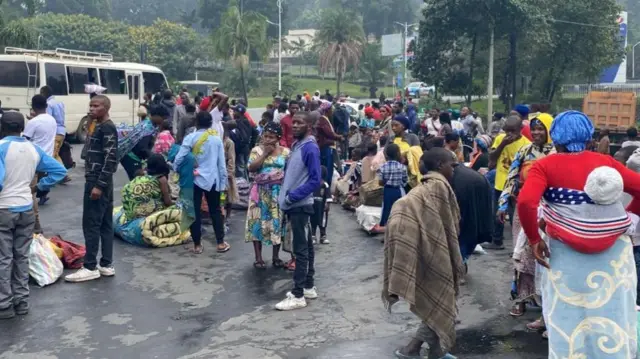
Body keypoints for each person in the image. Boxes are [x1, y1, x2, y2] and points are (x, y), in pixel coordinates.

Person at [517, 111, 640, 359]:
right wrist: (628, 218)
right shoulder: (606, 164)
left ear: (557, 139)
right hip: (613, 257)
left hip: (565, 254)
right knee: (613, 310)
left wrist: (534, 239)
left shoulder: (545, 166)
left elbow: (526, 202)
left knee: (568, 312)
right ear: (588, 138)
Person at [383, 147, 462, 359]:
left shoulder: (427, 185)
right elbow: (446, 225)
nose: (453, 170)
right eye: (450, 166)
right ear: (439, 166)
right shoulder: (438, 186)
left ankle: (433, 350)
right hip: (429, 249)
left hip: (422, 244)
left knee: (438, 296)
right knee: (441, 294)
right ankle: (412, 349)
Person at [0, 112, 66, 319]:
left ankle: (4, 304)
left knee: (4, 258)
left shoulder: (1, 147)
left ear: (2, 126)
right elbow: (59, 170)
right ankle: (21, 302)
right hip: (26, 209)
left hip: (4, 209)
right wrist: (38, 187)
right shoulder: (33, 149)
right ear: (22, 127)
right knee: (21, 256)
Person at [496, 113, 554, 317]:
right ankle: (521, 298)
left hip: (549, 212)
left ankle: (546, 303)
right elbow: (511, 178)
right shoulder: (524, 151)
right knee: (521, 254)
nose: (537, 132)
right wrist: (502, 205)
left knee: (546, 256)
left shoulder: (557, 153)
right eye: (534, 129)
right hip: (524, 210)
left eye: (541, 129)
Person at [65, 95, 118, 283]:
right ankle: (106, 264)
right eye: (91, 106)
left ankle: (90, 266)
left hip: (97, 181)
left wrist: (99, 185)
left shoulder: (108, 127)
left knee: (91, 224)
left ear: (106, 108)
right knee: (104, 223)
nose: (92, 109)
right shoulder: (97, 126)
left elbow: (111, 159)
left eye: (96, 106)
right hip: (100, 181)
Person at [275, 112, 321, 311]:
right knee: (307, 246)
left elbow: (315, 179)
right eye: (293, 122)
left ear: (308, 126)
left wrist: (292, 196)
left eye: (299, 123)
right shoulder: (297, 146)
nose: (294, 126)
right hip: (294, 204)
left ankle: (298, 294)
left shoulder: (310, 148)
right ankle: (308, 285)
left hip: (300, 205)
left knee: (300, 249)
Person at [173, 111, 230, 254]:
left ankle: (197, 245)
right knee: (215, 211)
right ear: (211, 123)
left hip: (194, 180)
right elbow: (221, 164)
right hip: (213, 180)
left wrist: (176, 169)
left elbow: (180, 158)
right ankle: (220, 243)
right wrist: (223, 184)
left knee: (194, 212)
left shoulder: (190, 138)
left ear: (196, 123)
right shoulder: (216, 140)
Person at [245, 122, 289, 269]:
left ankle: (275, 256)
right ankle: (258, 258)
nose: (267, 140)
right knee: (256, 221)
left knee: (277, 222)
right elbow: (251, 168)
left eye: (271, 137)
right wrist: (265, 154)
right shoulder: (256, 150)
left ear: (278, 138)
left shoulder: (285, 152)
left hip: (277, 192)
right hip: (260, 192)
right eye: (265, 136)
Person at [486, 115, 531, 250]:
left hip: (515, 186)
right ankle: (497, 241)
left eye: (513, 131)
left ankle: (518, 247)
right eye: (507, 131)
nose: (510, 134)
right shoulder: (500, 139)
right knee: (497, 214)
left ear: (520, 129)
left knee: (514, 218)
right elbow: (492, 158)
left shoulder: (526, 144)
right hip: (500, 184)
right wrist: (503, 144)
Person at [113, 154, 174, 245]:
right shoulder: (161, 179)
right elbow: (167, 202)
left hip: (131, 213)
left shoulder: (140, 175)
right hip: (145, 213)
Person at [24, 95, 58, 215]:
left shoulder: (33, 122)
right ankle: (42, 194)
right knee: (41, 179)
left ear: (32, 106)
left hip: (33, 158)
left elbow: (25, 140)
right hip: (47, 156)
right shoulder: (52, 119)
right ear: (46, 105)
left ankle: (34, 218)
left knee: (29, 189)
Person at [371, 144, 408, 234]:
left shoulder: (382, 167)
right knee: (399, 211)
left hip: (387, 191)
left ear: (386, 155)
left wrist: (387, 182)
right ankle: (398, 231)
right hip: (399, 191)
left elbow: (380, 182)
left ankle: (385, 232)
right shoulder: (402, 167)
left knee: (386, 210)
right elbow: (405, 180)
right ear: (398, 154)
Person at [118, 105, 162, 180]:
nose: (164, 120)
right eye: (163, 118)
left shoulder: (149, 124)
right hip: (130, 156)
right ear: (156, 116)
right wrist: (155, 157)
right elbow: (142, 148)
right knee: (137, 181)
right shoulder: (147, 128)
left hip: (131, 155)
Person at [40, 86, 69, 182]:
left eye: (41, 93)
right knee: (55, 154)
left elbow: (48, 119)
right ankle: (62, 175)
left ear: (44, 93)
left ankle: (62, 175)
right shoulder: (59, 103)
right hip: (61, 131)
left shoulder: (48, 104)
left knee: (51, 155)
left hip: (55, 132)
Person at [315, 104, 342, 186]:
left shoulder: (326, 119)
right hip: (326, 146)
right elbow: (330, 134)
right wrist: (339, 137)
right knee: (327, 168)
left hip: (328, 146)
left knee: (329, 167)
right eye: (331, 109)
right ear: (327, 110)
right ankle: (325, 188)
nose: (332, 111)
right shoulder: (323, 119)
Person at [222, 121, 239, 231]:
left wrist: (229, 172)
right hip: (218, 173)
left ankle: (227, 216)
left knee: (229, 197)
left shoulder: (228, 142)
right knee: (221, 198)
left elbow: (231, 158)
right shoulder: (217, 141)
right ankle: (222, 216)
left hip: (227, 173)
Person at [311, 166, 330, 245]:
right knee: (313, 221)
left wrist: (327, 204)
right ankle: (313, 236)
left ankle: (323, 236)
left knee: (322, 221)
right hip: (312, 206)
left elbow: (328, 196)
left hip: (322, 207)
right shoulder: (311, 184)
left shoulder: (325, 185)